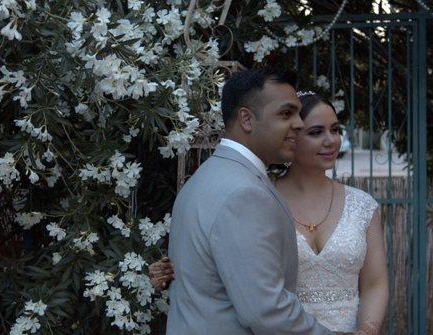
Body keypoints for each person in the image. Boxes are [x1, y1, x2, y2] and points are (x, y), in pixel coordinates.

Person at [152, 90, 388, 334]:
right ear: (291, 135)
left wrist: (367, 330)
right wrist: (172, 270)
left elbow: (374, 283)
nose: (331, 140)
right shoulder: (255, 199)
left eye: (336, 129)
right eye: (316, 132)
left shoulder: (362, 205)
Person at [165, 68, 333, 335]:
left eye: (299, 114)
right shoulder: (244, 193)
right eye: (286, 113)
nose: (300, 124)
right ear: (246, 119)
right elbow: (266, 311)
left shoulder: (206, 177)